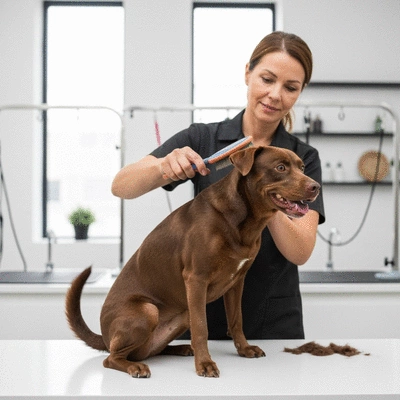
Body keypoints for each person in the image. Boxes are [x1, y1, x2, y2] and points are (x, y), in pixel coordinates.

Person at [112, 31, 325, 340]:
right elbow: (122, 186)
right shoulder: (204, 140)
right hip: (197, 318)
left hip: (272, 323)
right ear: (247, 73)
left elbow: (300, 251)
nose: (276, 94)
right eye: (267, 79)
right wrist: (163, 166)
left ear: (299, 92)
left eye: (290, 87)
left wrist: (267, 189)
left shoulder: (303, 158)